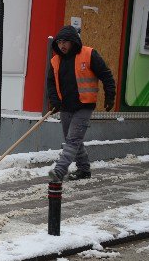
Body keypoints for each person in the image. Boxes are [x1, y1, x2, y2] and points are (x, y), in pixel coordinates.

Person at [46, 25, 116, 182]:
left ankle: (59, 171)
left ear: (73, 42)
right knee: (74, 140)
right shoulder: (55, 61)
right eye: (59, 42)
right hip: (66, 106)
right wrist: (55, 101)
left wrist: (110, 96)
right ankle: (84, 169)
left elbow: (106, 75)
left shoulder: (89, 54)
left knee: (72, 140)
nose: (62, 45)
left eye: (65, 42)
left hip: (84, 105)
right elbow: (51, 83)